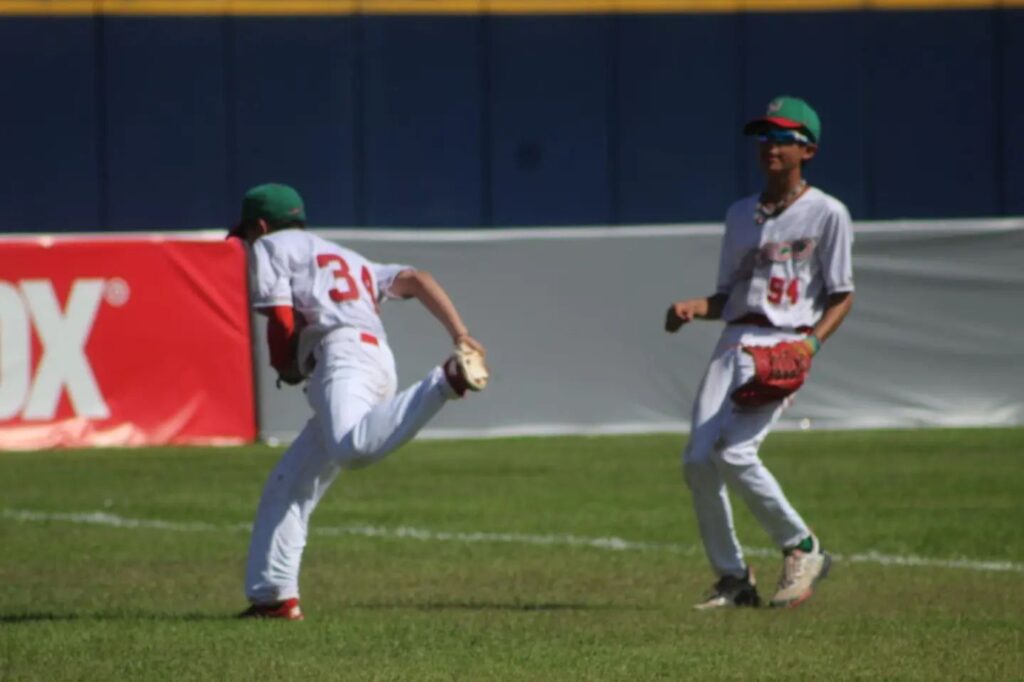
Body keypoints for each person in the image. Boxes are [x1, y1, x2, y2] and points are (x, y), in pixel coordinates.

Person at [228, 183, 490, 620]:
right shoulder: (348, 258)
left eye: (249, 233)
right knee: (288, 484)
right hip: (373, 359)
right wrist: (460, 332)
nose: (249, 242)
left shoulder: (270, 245)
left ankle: (445, 381)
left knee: (351, 449)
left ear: (259, 225)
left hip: (343, 356)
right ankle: (272, 597)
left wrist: (284, 365)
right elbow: (418, 279)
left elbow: (280, 315)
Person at [664, 96, 854, 609]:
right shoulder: (739, 215)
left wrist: (809, 345)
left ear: (807, 150)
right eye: (765, 136)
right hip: (732, 343)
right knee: (698, 460)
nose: (770, 146)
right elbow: (728, 296)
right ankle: (733, 579)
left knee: (735, 452)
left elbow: (842, 294)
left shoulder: (827, 213)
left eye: (783, 137)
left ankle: (802, 546)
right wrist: (692, 307)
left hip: (782, 345)